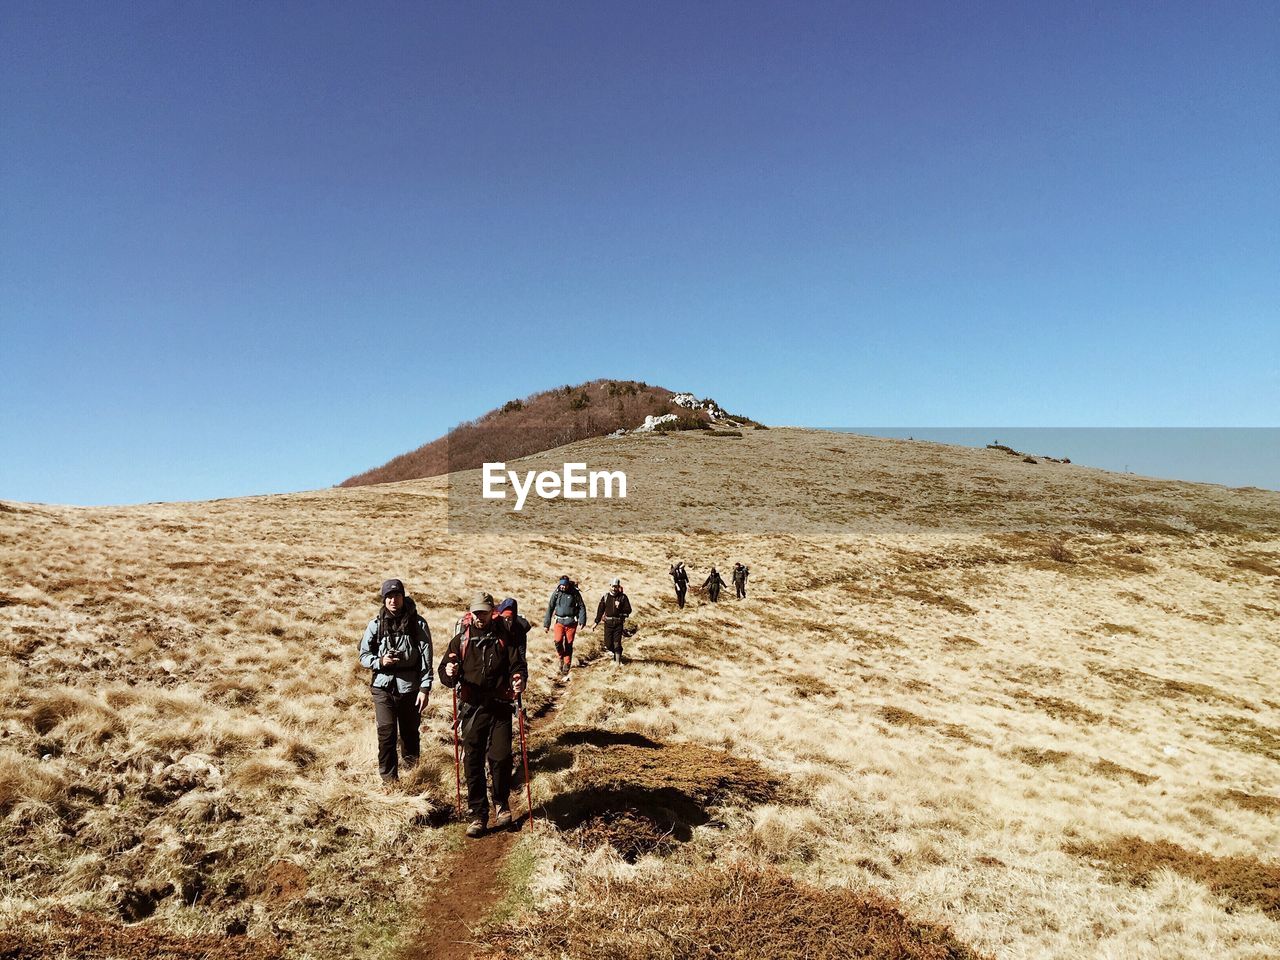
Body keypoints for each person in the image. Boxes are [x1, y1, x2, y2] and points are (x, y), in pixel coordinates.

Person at [438, 594, 528, 837]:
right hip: (472, 707)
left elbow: (517, 665)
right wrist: (449, 671)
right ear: (471, 613)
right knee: (473, 760)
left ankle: (501, 803)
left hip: (499, 705)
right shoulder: (461, 640)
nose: (480, 617)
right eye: (476, 612)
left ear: (492, 612)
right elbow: (445, 674)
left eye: (484, 612)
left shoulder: (504, 638)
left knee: (500, 757)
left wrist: (518, 679)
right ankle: (478, 813)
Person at [357, 579, 432, 785]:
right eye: (388, 597)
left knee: (409, 733)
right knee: (387, 732)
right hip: (382, 687)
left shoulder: (418, 624)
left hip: (410, 688)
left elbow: (426, 659)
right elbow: (363, 656)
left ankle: (412, 773)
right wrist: (380, 661)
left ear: (403, 597)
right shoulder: (375, 625)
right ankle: (389, 780)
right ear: (384, 600)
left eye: (396, 596)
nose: (393, 600)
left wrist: (424, 688)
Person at [543, 576, 586, 677]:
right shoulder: (557, 593)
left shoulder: (574, 593)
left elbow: (581, 606)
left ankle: (567, 663)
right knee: (558, 641)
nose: (562, 587)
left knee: (569, 643)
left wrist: (582, 620)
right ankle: (561, 656)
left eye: (564, 585)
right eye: (561, 585)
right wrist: (546, 624)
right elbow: (550, 607)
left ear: (567, 585)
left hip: (571, 622)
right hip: (559, 621)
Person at [593, 577, 633, 665]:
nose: (614, 589)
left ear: (619, 587)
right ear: (610, 586)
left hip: (618, 623)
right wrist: (596, 622)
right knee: (608, 644)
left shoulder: (623, 597)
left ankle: (618, 662)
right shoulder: (605, 597)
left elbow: (629, 610)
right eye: (613, 586)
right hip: (608, 623)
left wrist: (621, 607)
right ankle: (616, 653)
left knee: (617, 643)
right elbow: (600, 610)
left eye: (616, 587)